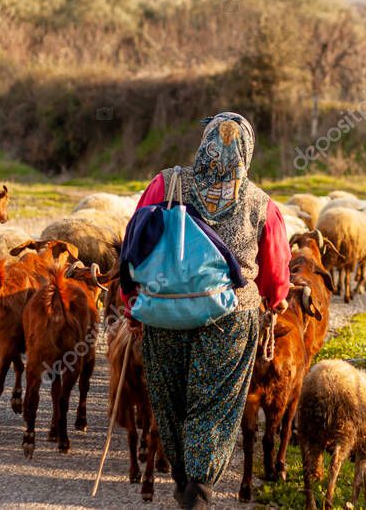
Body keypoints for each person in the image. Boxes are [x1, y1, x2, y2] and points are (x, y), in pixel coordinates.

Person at [128, 112, 290, 509]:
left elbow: (135, 242)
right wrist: (274, 299)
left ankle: (184, 480)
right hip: (230, 319)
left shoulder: (167, 184)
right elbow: (275, 275)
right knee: (214, 404)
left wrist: (132, 305)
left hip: (165, 312)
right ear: (246, 152)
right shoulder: (260, 204)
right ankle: (198, 493)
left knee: (170, 402)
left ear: (204, 143)